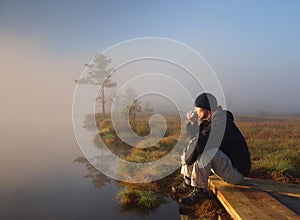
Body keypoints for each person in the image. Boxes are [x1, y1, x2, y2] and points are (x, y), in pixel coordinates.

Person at [172, 93, 251, 205]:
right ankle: (188, 181)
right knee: (193, 145)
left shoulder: (221, 123)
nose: (195, 111)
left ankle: (200, 191)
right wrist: (193, 123)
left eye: (197, 109)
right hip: (226, 167)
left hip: (236, 173)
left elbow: (201, 144)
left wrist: (187, 160)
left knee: (206, 151)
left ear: (206, 109)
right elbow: (196, 138)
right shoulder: (211, 121)